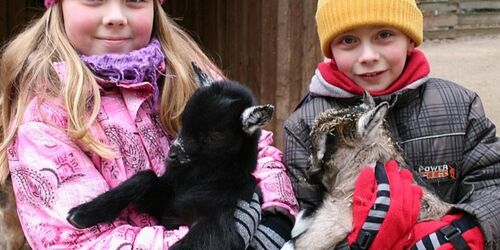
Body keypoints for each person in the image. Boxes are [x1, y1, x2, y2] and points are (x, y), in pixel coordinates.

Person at [0, 0, 298, 249]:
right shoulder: (45, 113)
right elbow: (78, 241)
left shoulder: (186, 72)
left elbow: (256, 148)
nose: (116, 16)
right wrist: (214, 239)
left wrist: (275, 218)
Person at [284, 0, 500, 249]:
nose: (368, 56)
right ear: (331, 48)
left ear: (409, 39)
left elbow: (492, 183)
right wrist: (357, 244)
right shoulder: (305, 124)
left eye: (384, 35)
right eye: (348, 40)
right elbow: (305, 214)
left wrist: (465, 231)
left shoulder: (459, 105)